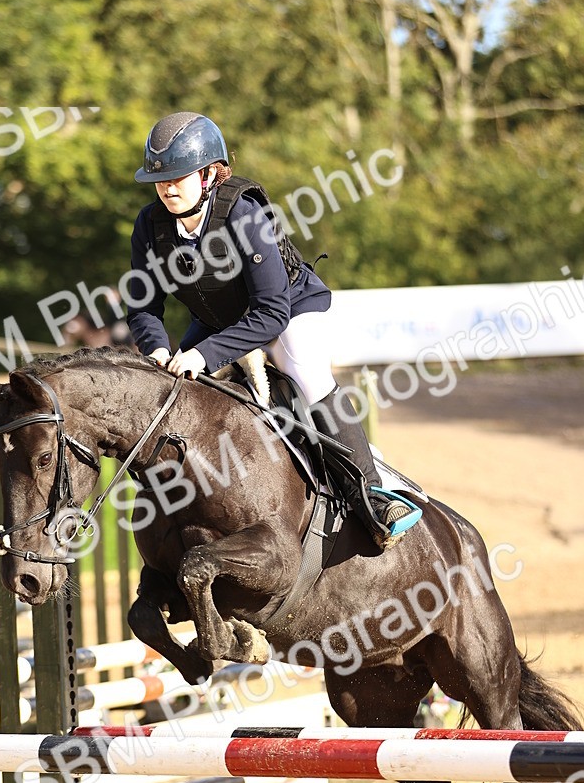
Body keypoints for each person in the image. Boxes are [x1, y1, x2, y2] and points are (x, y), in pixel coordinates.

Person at [127, 111, 421, 548]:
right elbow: (142, 306)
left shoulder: (243, 214)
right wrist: (155, 349)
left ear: (207, 175)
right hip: (220, 322)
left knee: (305, 372)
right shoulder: (149, 226)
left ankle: (373, 494)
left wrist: (204, 355)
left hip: (288, 310)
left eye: (177, 177)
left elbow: (270, 312)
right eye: (160, 180)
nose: (167, 188)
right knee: (171, 392)